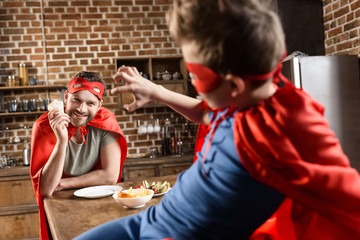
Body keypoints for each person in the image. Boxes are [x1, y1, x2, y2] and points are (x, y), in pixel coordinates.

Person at [75, 0, 360, 239]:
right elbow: (205, 112)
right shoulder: (243, 100)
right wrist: (156, 91)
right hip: (150, 221)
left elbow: (348, 200)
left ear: (233, 86)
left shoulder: (279, 127)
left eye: (195, 76)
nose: (193, 83)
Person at [30, 71, 127, 240]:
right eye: (76, 100)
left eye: (90, 103)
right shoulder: (44, 126)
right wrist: (61, 140)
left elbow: (110, 176)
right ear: (66, 97)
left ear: (99, 104)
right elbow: (45, 189)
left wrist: (63, 183)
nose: (81, 109)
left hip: (99, 201)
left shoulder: (106, 123)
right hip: (60, 205)